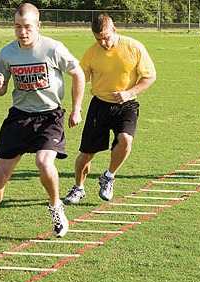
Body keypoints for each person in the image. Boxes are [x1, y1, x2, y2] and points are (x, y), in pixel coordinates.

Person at [0, 2, 85, 240]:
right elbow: (0, 91)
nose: (22, 32)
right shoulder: (6, 54)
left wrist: (76, 109)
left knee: (44, 163)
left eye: (27, 27)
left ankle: (56, 208)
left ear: (38, 25)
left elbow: (78, 73)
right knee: (1, 174)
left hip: (49, 116)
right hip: (19, 117)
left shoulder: (53, 48)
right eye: (17, 27)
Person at [64, 13, 156, 205]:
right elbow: (80, 80)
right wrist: (76, 109)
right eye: (99, 39)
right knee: (87, 154)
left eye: (106, 37)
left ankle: (109, 176)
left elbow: (149, 77)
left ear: (114, 29)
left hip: (127, 104)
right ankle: (79, 187)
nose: (103, 42)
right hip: (100, 105)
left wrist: (129, 93)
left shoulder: (134, 47)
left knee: (125, 140)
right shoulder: (91, 53)